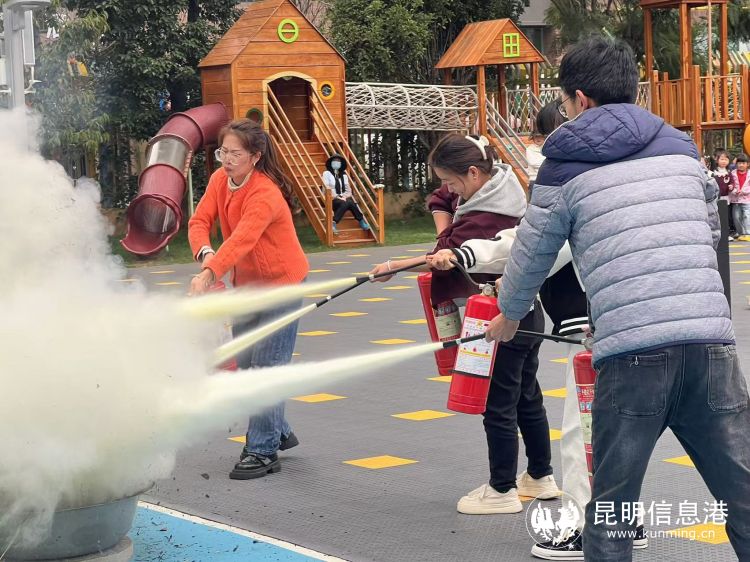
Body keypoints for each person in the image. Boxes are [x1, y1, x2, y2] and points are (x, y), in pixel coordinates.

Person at [487, 35, 748, 561]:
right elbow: (707, 229)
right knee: (742, 493)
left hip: (632, 359)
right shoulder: (681, 148)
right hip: (710, 345)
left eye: (564, 102)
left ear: (580, 99)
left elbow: (533, 252)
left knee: (612, 509)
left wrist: (509, 316)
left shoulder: (563, 163)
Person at [372, 134, 560, 514]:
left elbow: (449, 255)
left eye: (452, 181)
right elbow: (442, 208)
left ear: (474, 173)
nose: (450, 190)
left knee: (497, 404)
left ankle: (501, 490)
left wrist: (394, 266)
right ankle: (540, 476)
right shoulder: (502, 192)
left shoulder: (484, 217)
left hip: (500, 320)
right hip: (527, 314)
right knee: (526, 397)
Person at [188, 119, 309, 480]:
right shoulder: (218, 181)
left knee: (267, 368)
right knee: (244, 363)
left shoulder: (264, 193)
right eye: (222, 152)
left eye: (235, 154)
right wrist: (206, 255)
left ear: (255, 156)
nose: (226, 160)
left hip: (281, 286)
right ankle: (277, 429)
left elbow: (242, 239)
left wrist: (209, 274)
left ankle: (262, 450)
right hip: (245, 287)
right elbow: (198, 222)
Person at [322, 154, 369, 235]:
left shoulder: (344, 175)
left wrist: (344, 196)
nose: (336, 162)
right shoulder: (327, 173)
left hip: (343, 198)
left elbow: (348, 190)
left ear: (341, 164)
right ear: (331, 163)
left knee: (348, 202)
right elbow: (326, 188)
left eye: (338, 161)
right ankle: (360, 220)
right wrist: (338, 196)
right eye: (334, 161)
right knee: (349, 202)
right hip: (331, 199)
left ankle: (334, 222)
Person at [527, 100, 567, 191]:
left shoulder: (549, 147)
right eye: (536, 137)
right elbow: (534, 163)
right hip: (535, 179)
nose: (538, 139)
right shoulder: (531, 149)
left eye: (541, 137)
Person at [711, 149, 734, 239]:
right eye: (722, 159)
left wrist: (731, 186)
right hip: (715, 198)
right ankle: (717, 234)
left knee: (726, 217)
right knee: (717, 216)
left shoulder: (728, 173)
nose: (724, 161)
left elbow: (732, 182)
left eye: (726, 159)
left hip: (726, 198)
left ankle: (726, 234)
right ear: (717, 160)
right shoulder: (713, 173)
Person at [730, 153, 750, 242]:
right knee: (736, 217)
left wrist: (744, 191)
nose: (741, 165)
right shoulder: (732, 173)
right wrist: (734, 190)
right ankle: (740, 233)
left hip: (747, 199)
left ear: (747, 164)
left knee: (747, 216)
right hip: (736, 199)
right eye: (739, 163)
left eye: (743, 163)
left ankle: (747, 233)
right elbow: (730, 184)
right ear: (736, 164)